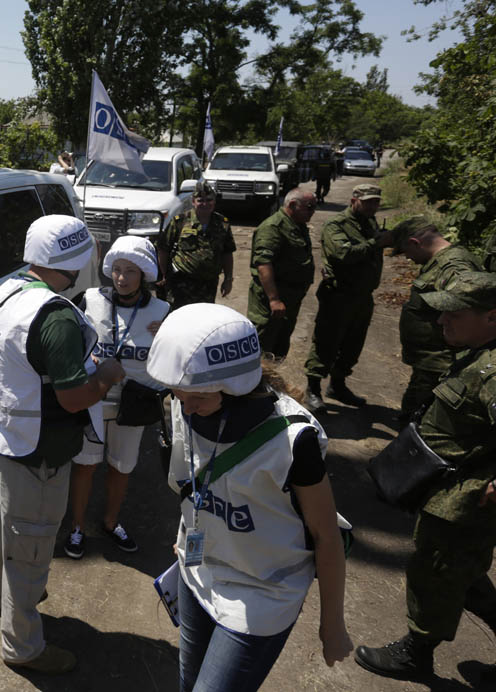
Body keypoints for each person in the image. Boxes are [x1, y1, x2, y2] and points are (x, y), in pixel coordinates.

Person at [148, 303, 352, 691]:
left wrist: (332, 625)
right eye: (177, 394)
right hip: (199, 573)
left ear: (236, 387)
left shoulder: (292, 442)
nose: (185, 408)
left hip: (262, 593)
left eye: (199, 398)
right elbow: (190, 482)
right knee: (188, 683)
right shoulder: (186, 403)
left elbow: (327, 536)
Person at [0, 214, 126, 674]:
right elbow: (73, 395)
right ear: (78, 261)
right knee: (31, 551)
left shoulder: (3, 293)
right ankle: (23, 647)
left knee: (0, 531)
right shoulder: (56, 317)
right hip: (36, 455)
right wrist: (105, 377)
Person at [355, 271, 496, 682]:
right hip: (446, 486)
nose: (441, 322)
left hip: (462, 501)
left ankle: (416, 653)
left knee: (434, 571)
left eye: (454, 314)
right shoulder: (477, 350)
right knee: (463, 570)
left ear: (491, 316)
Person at [64, 236, 170, 559]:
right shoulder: (90, 299)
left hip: (134, 407)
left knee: (121, 468)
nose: (122, 278)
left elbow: (171, 359)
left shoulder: (162, 311)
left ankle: (111, 522)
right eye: (118, 270)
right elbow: (71, 341)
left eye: (131, 272)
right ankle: (77, 527)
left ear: (145, 275)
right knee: (84, 467)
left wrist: (164, 332)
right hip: (93, 400)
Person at [304, 184, 394, 412]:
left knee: (353, 344)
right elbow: (343, 254)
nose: (373, 206)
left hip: (363, 295)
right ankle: (313, 388)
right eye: (367, 202)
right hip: (339, 295)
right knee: (326, 342)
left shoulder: (370, 222)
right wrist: (377, 243)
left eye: (376, 202)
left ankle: (338, 385)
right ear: (354, 200)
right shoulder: (337, 225)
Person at [391, 216, 483, 423]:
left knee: (423, 419)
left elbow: (467, 310)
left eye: (406, 252)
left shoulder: (453, 266)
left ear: (415, 243)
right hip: (431, 360)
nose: (408, 258)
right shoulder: (442, 262)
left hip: (441, 362)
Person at [246, 187, 317, 359]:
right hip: (271, 300)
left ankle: (270, 381)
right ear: (293, 205)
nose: (313, 212)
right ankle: (255, 384)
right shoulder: (273, 227)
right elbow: (263, 264)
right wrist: (274, 299)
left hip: (290, 298)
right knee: (262, 344)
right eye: (309, 207)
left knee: (280, 345)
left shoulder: (297, 225)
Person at [156, 180, 236, 309]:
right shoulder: (180, 222)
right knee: (178, 318)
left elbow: (227, 253)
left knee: (203, 319)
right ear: (193, 202)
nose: (205, 204)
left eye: (209, 200)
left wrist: (228, 279)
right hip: (181, 283)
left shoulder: (222, 224)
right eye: (200, 200)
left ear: (214, 202)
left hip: (208, 285)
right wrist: (164, 274)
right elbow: (163, 248)